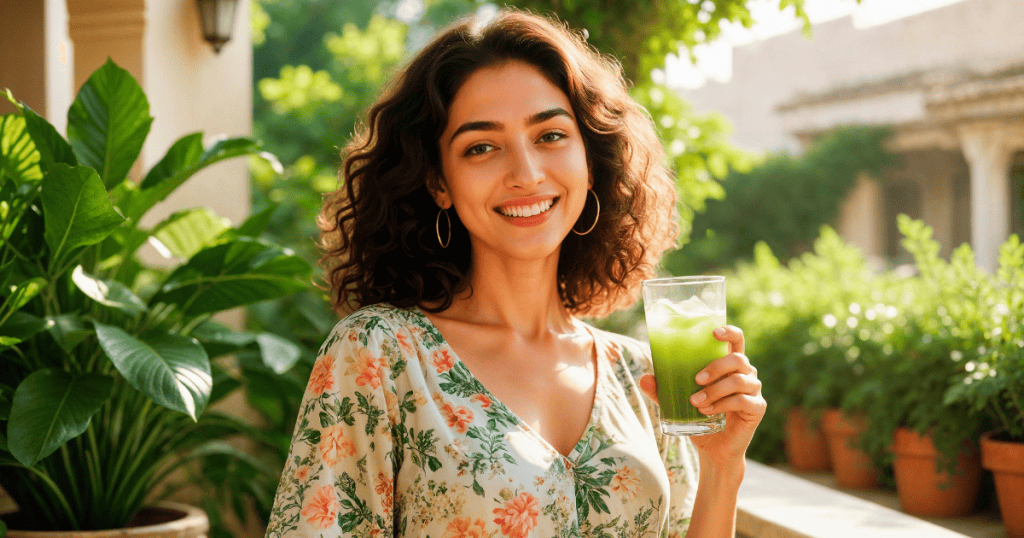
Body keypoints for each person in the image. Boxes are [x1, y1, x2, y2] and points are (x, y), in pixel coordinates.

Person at [265, 8, 765, 538]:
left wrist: (723, 464)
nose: (525, 174)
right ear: (439, 182)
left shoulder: (638, 373)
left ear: (590, 159)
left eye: (550, 135)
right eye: (481, 147)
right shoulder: (381, 355)